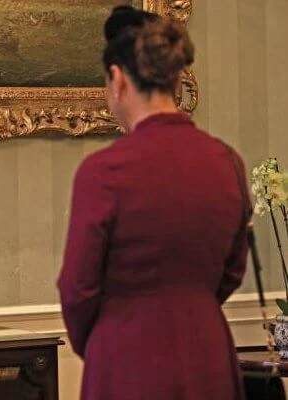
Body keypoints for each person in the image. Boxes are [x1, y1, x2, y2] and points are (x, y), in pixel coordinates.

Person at [57, 6, 249, 400]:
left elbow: (78, 288)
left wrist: (107, 340)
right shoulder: (226, 162)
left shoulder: (104, 171)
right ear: (176, 77)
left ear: (117, 80)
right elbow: (233, 268)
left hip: (128, 360)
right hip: (208, 355)